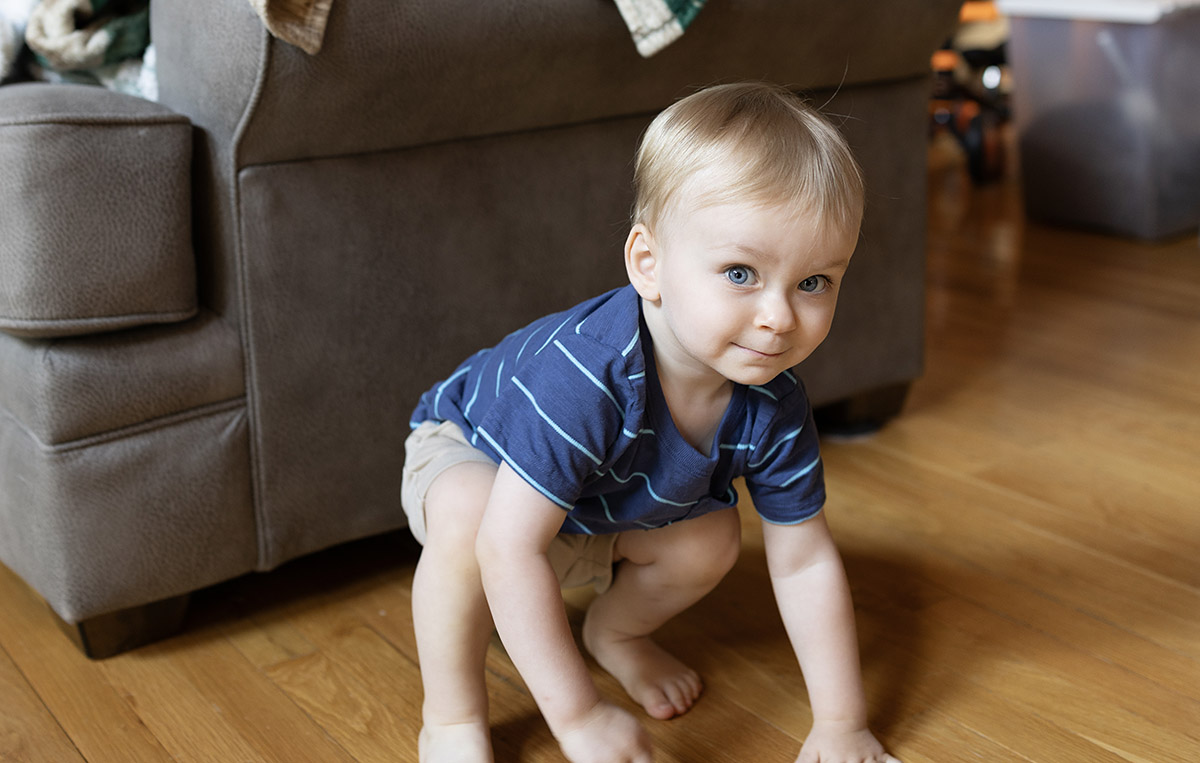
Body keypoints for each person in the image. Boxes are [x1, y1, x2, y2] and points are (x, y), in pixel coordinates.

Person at [403, 81, 899, 763]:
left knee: (712, 537)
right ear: (649, 263)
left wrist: (842, 723)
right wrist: (578, 717)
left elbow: (805, 556)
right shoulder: (587, 373)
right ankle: (451, 717)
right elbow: (506, 547)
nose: (780, 317)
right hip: (471, 455)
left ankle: (617, 634)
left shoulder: (775, 405)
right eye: (740, 272)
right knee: (470, 514)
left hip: (592, 499)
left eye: (814, 281)